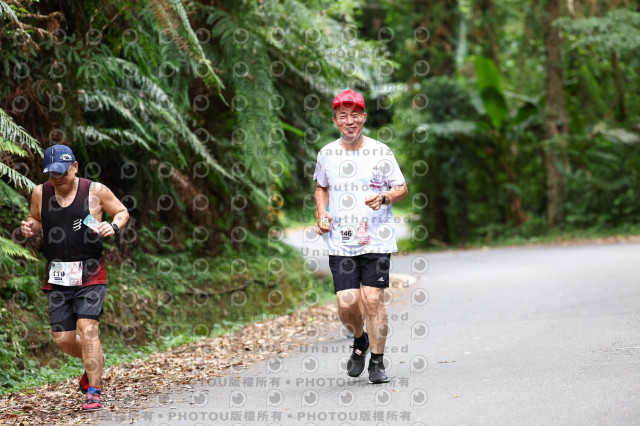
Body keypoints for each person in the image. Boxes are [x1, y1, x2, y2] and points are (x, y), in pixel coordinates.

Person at [21, 144, 129, 410]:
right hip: (58, 274)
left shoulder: (95, 191)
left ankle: (94, 391)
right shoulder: (40, 192)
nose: (57, 179)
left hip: (91, 270)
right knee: (63, 339)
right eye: (52, 174)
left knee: (87, 328)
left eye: (62, 172)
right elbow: (36, 218)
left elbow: (122, 211)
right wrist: (30, 227)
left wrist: (113, 226)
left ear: (75, 167)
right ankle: (96, 359)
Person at [313, 89, 408, 384]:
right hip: (341, 239)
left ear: (364, 117)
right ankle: (360, 339)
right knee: (347, 302)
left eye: (355, 115)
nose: (349, 121)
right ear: (335, 120)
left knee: (372, 298)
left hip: (377, 236)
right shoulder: (327, 154)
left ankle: (377, 363)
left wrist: (385, 198)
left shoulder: (381, 152)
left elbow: (401, 187)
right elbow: (321, 187)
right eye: (343, 116)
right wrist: (321, 212)